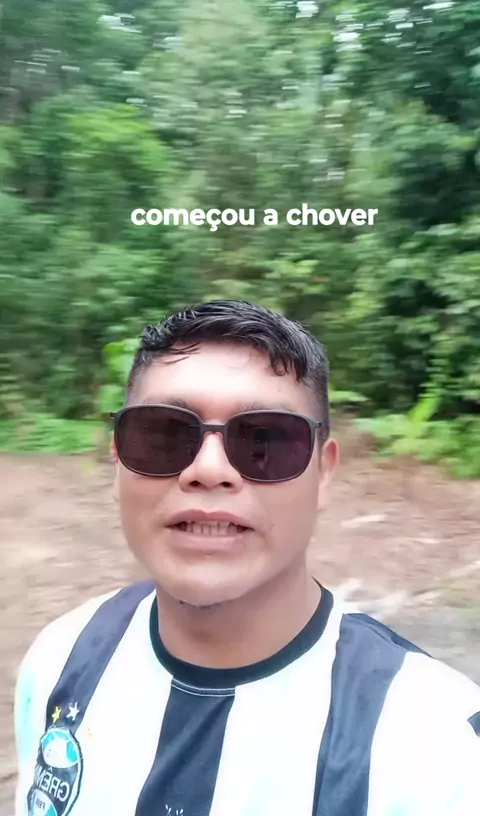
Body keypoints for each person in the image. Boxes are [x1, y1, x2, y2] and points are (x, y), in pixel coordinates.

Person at [14, 300, 480, 816]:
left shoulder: (436, 751)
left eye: (265, 441)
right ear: (118, 459)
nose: (209, 469)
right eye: (164, 434)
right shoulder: (60, 660)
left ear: (323, 473)